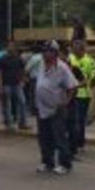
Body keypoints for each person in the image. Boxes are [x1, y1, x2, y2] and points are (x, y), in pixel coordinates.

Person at [34, 42, 77, 174]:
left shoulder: (62, 68)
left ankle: (65, 164)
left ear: (55, 53)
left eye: (49, 51)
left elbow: (72, 87)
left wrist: (65, 102)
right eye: (44, 51)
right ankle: (47, 162)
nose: (45, 53)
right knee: (44, 137)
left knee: (59, 136)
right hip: (42, 107)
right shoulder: (41, 64)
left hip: (56, 108)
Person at [68, 39, 95, 154]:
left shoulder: (89, 61)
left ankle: (80, 143)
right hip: (71, 94)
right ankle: (73, 142)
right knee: (72, 121)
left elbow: (94, 77)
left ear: (82, 50)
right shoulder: (70, 59)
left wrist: (90, 81)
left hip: (84, 95)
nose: (74, 51)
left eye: (77, 49)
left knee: (80, 121)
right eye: (73, 48)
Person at [0, 44, 29, 130]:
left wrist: (23, 80)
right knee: (7, 104)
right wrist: (0, 85)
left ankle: (22, 122)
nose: (11, 49)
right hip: (6, 84)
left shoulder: (19, 59)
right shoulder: (2, 59)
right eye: (9, 47)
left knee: (22, 102)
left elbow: (23, 70)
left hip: (17, 84)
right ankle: (8, 123)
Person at [23, 41, 44, 118]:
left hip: (34, 79)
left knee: (32, 95)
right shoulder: (44, 57)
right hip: (43, 78)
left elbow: (27, 69)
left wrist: (25, 77)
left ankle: (33, 110)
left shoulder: (34, 58)